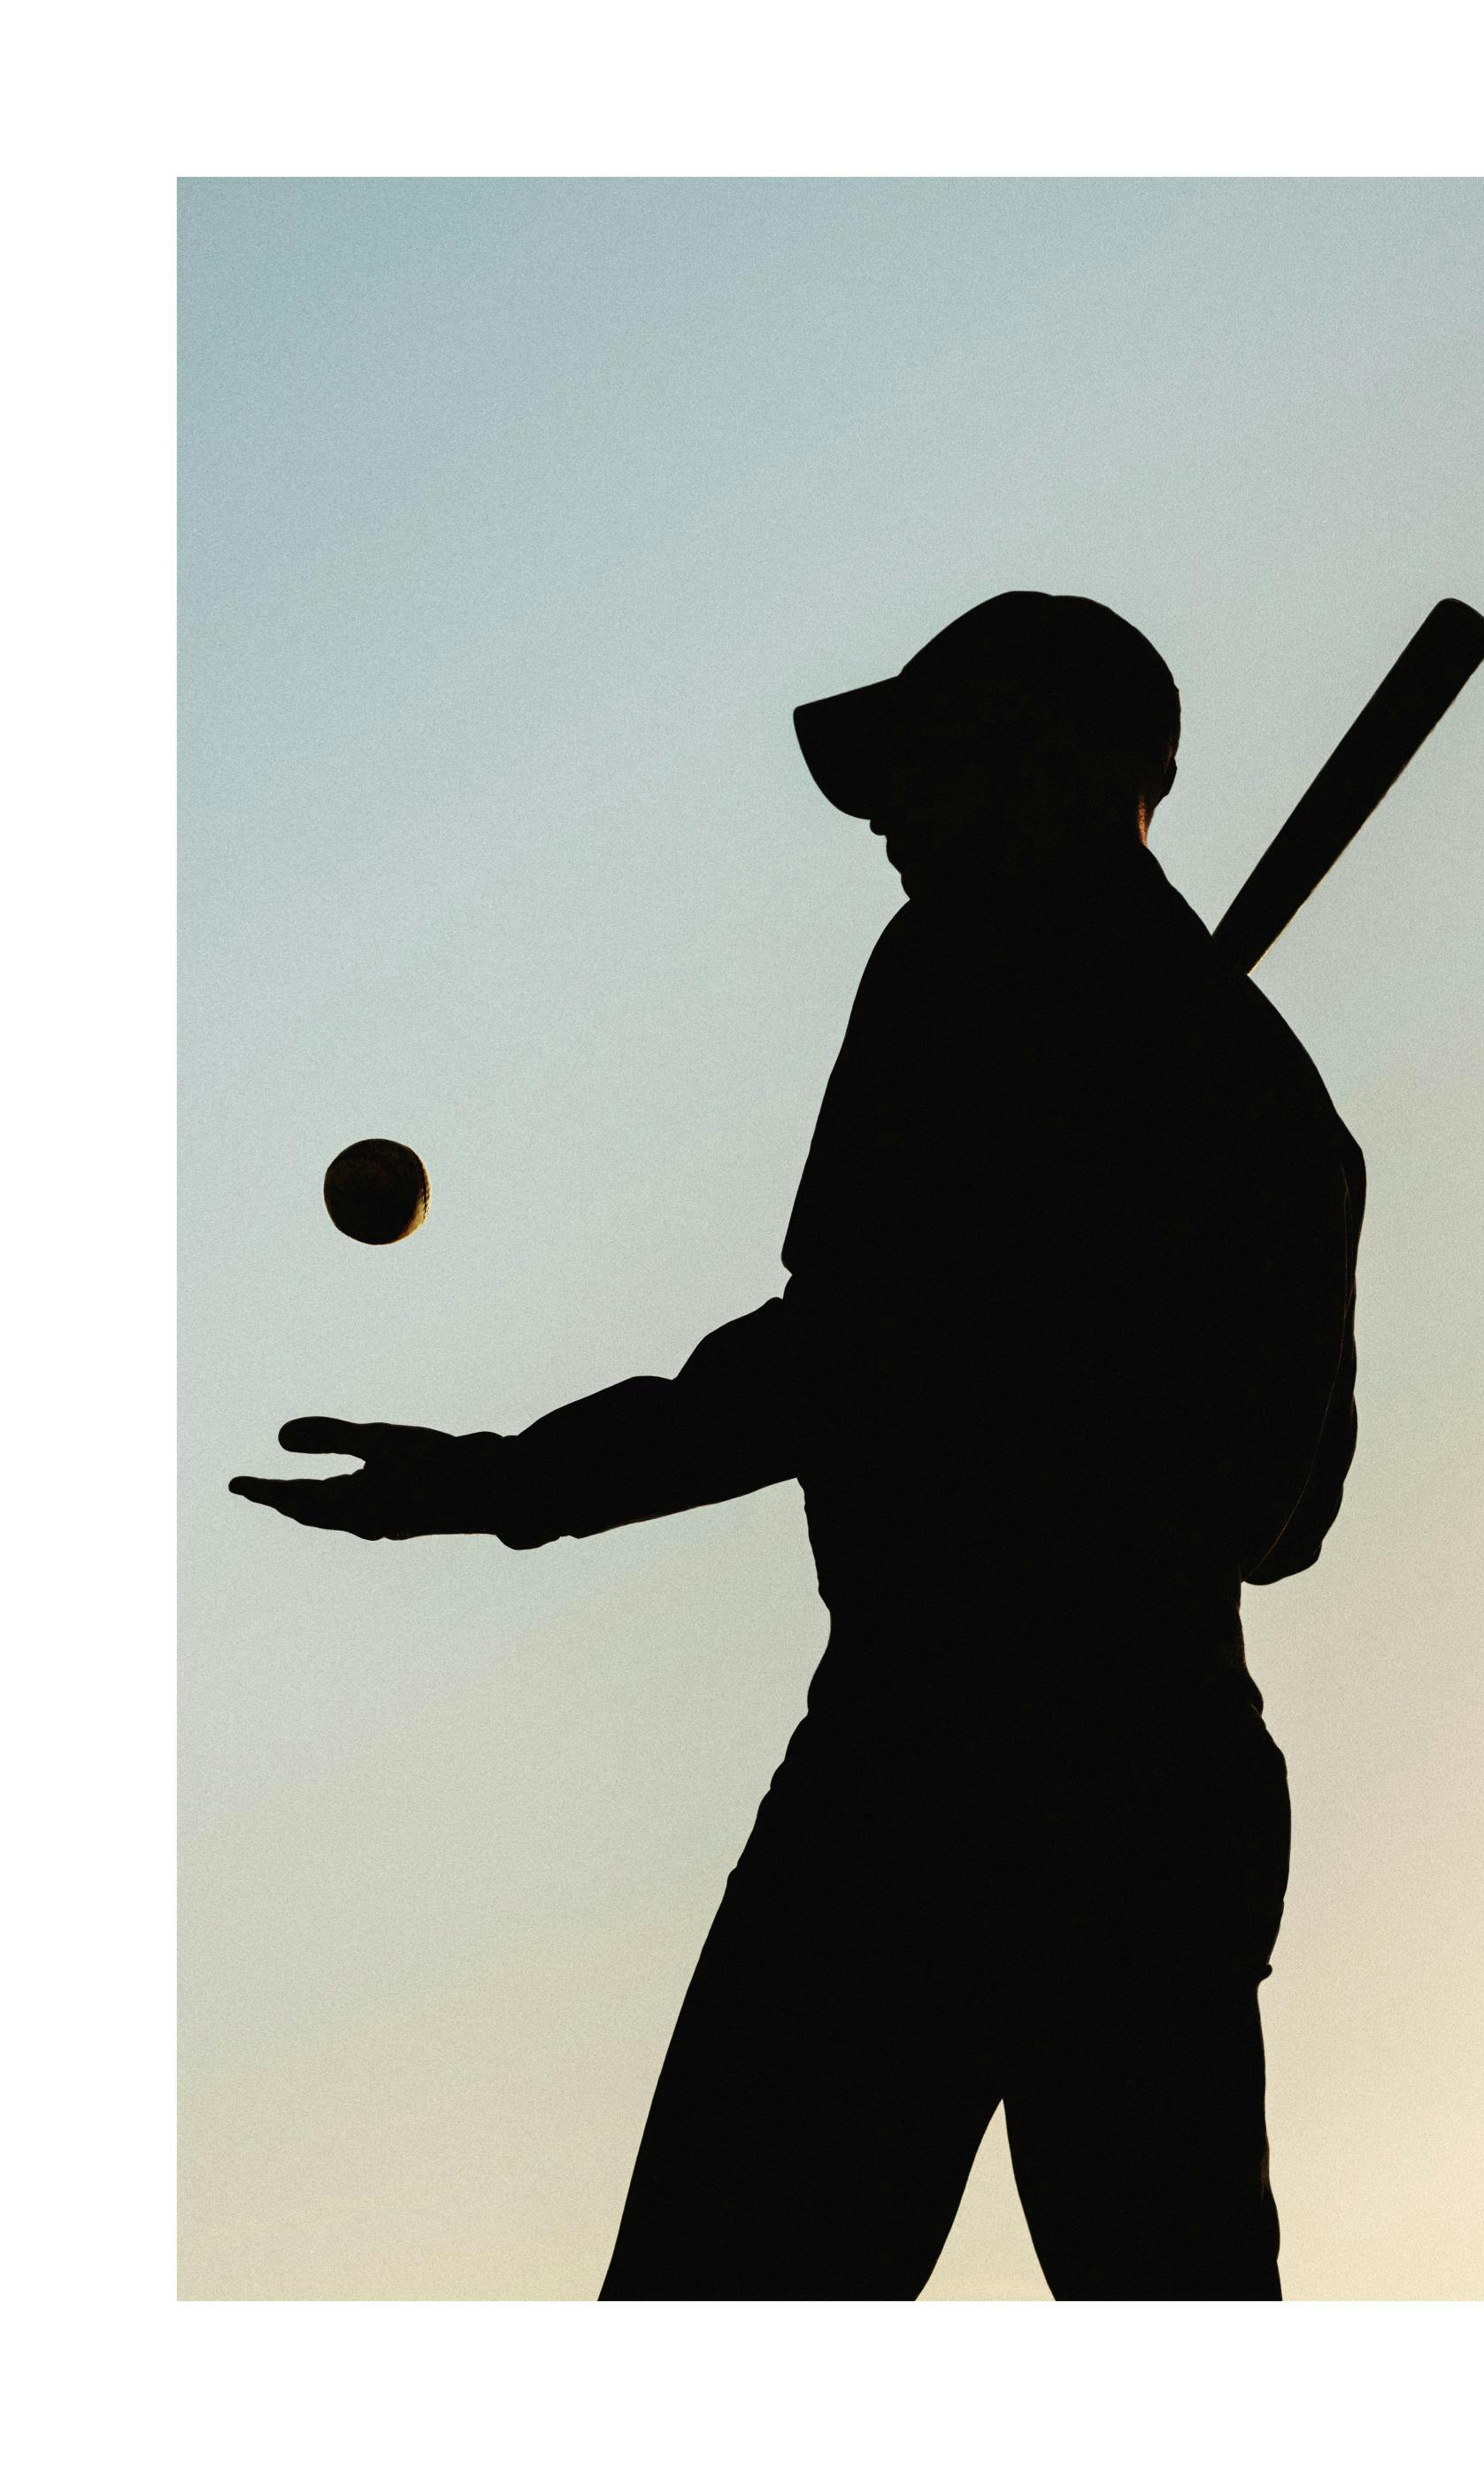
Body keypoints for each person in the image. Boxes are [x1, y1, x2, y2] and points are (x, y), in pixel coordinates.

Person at [232, 591, 1365, 2300]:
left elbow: (1275, 1509)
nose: (888, 823)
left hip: (1094, 1781)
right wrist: (511, 1479)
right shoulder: (1017, 1008)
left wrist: (1107, 1296)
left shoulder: (1235, 1104)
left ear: (1046, 771)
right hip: (933, 1759)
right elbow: (837, 1353)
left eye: (929, 773)